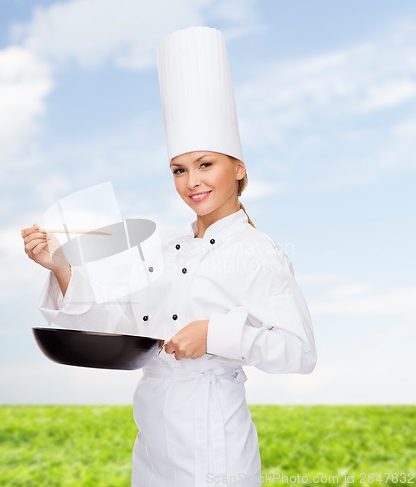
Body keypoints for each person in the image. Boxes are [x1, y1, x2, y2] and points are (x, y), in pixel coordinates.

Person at [21, 26, 316, 487]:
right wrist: (60, 265)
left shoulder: (258, 253)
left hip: (212, 445)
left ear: (238, 168)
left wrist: (214, 334)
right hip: (153, 442)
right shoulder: (164, 251)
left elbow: (299, 353)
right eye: (179, 170)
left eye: (205, 164)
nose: (191, 182)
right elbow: (121, 320)